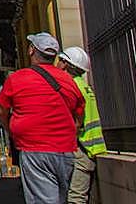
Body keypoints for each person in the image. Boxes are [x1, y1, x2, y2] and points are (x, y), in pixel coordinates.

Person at [0, 32, 84, 204]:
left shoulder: (17, 79)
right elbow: (79, 114)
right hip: (65, 150)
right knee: (60, 198)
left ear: (31, 50)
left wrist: (11, 130)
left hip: (34, 150)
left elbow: (1, 110)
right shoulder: (68, 81)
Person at [57, 46, 106, 204]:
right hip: (90, 148)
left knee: (75, 198)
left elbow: (72, 122)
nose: (56, 64)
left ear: (65, 64)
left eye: (59, 61)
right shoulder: (83, 86)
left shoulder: (72, 88)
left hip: (83, 148)